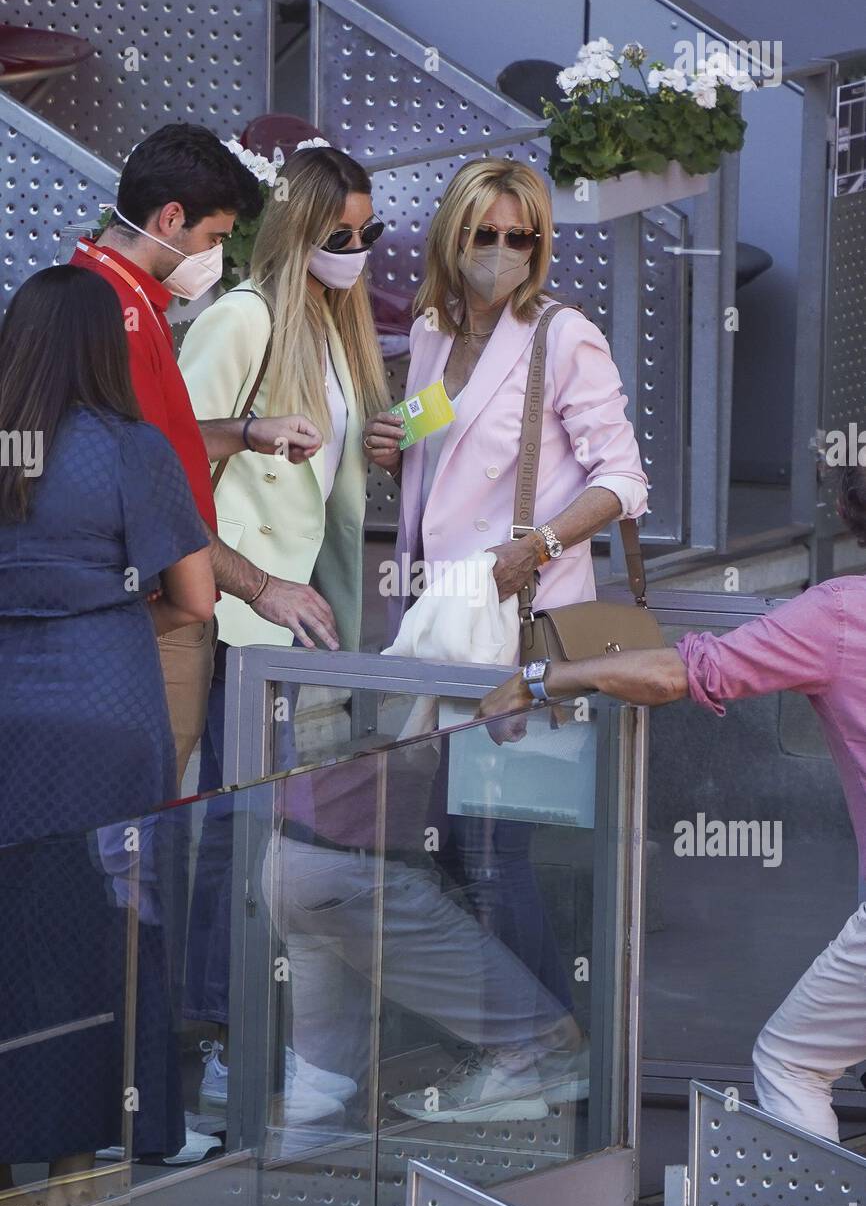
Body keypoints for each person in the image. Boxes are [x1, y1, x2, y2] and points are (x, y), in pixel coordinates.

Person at [479, 464, 866, 1143]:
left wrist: (540, 678)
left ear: (846, 513)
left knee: (792, 1064)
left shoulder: (840, 613)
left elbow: (674, 674)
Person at [363, 155, 648, 1021]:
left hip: (520, 626)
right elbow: (446, 417)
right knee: (457, 844)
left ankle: (547, 1037)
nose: (500, 251)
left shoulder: (562, 336)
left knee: (490, 845)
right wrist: (394, 439)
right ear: (453, 235)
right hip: (445, 622)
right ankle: (523, 1035)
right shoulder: (436, 333)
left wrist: (540, 544)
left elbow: (625, 479)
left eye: (519, 236)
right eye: (483, 234)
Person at [177, 139, 389, 1119]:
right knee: (238, 831)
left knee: (274, 835)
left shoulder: (337, 329)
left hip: (305, 621)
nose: (355, 249)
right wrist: (249, 586)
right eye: (339, 233)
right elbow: (172, 460)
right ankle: (217, 1034)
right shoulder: (242, 320)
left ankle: (253, 1031)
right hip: (235, 615)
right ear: (298, 229)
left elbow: (345, 454)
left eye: (369, 232)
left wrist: (418, 421)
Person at [0, 267, 214, 1206]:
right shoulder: (133, 448)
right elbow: (196, 600)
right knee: (104, 933)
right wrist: (109, 614)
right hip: (105, 720)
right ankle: (79, 1176)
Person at [71, 123, 333, 793]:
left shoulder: (124, 295)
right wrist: (261, 586)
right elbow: (150, 489)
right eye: (214, 240)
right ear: (170, 218)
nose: (215, 256)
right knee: (140, 820)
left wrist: (247, 433)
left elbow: (160, 442)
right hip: (154, 607)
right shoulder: (112, 313)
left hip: (159, 601)